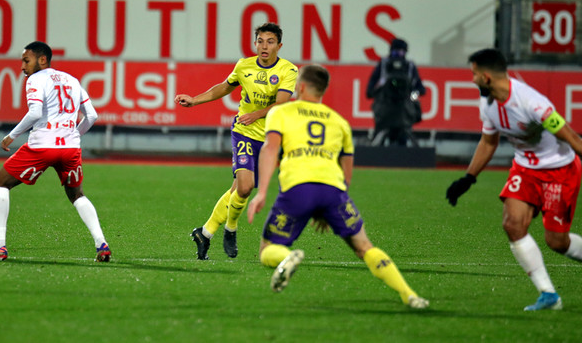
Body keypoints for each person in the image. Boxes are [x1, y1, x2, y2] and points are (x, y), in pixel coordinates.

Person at [446, 48, 582, 311]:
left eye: (473, 74)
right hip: (525, 169)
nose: (471, 80)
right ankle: (549, 295)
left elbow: (571, 137)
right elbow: (488, 141)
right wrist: (468, 178)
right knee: (512, 225)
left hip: (559, 171)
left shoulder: (533, 103)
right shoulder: (487, 103)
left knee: (557, 242)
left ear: (486, 76)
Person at [246, 64, 430, 308]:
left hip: (298, 188)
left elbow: (270, 150)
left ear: (300, 86)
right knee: (364, 247)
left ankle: (288, 257)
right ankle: (409, 295)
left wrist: (262, 192)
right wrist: (328, 206)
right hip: (333, 190)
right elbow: (347, 172)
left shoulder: (281, 113)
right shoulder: (339, 122)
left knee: (267, 249)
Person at [0, 41, 111, 262]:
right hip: (70, 148)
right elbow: (92, 116)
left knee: (0, 183)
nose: (22, 67)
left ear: (42, 59)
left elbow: (35, 113)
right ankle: (101, 244)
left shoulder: (36, 79)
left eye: (26, 61)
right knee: (77, 195)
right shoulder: (72, 80)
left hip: (42, 146)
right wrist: (73, 135)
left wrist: (12, 135)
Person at [176, 22, 297, 260]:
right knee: (243, 186)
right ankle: (231, 229)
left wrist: (257, 114)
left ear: (279, 46)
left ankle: (205, 233)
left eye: (270, 42)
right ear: (255, 44)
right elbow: (223, 87)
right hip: (244, 131)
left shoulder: (288, 70)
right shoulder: (244, 65)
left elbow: (282, 103)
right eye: (260, 41)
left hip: (271, 138)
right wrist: (195, 100)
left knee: (240, 190)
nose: (264, 46)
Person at [365, 38, 426, 146]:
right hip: (385, 111)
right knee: (379, 142)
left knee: (402, 142)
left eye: (401, 52)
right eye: (395, 51)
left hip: (403, 111)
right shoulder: (383, 65)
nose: (398, 55)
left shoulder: (410, 67)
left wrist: (411, 96)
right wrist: (376, 93)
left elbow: (421, 89)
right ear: (390, 51)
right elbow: (370, 89)